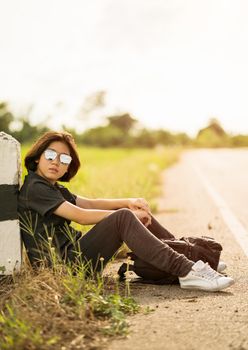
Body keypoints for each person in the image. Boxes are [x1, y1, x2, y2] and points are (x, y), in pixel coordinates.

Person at [18, 131, 234, 292]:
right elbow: (81, 216)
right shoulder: (35, 188)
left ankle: (187, 254)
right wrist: (127, 214)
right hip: (64, 267)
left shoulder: (50, 187)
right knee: (123, 217)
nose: (56, 161)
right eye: (51, 155)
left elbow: (89, 204)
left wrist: (129, 202)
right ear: (38, 156)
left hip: (74, 258)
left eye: (64, 159)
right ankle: (186, 270)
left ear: (68, 166)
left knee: (128, 211)